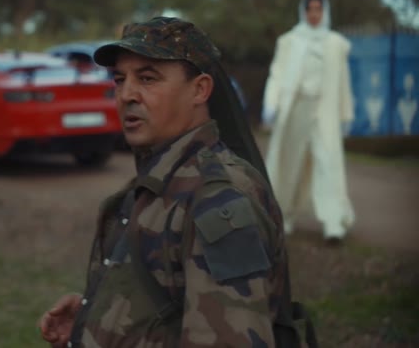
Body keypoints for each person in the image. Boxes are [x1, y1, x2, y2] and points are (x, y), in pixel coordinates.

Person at [39, 17, 293, 347]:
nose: (126, 94)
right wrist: (96, 320)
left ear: (200, 90)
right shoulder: (161, 179)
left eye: (147, 78)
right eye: (120, 79)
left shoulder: (218, 201)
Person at [262, 0, 355, 241]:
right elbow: (277, 74)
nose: (314, 14)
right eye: (310, 9)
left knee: (328, 164)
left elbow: (343, 82)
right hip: (296, 110)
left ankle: (333, 222)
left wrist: (345, 114)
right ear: (303, 12)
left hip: (325, 112)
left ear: (325, 12)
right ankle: (285, 215)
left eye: (318, 9)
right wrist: (271, 103)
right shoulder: (289, 41)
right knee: (291, 164)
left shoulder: (336, 44)